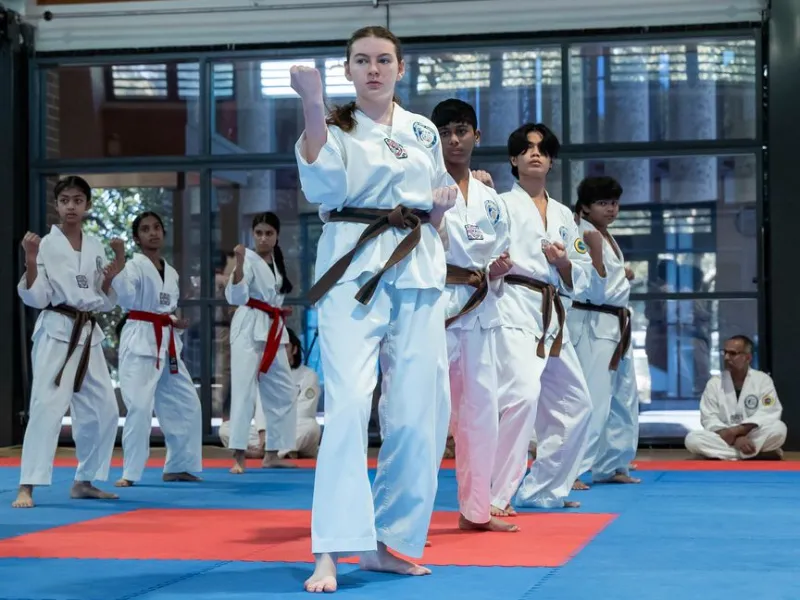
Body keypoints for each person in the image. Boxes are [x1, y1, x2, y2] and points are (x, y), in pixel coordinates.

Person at [292, 25, 456, 594]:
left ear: (401, 68)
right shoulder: (333, 125)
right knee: (348, 409)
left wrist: (443, 201)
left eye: (384, 60)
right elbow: (323, 183)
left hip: (417, 268)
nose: (374, 69)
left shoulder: (422, 129)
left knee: (417, 414)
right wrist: (313, 105)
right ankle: (331, 551)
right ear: (347, 70)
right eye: (361, 60)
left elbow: (438, 199)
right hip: (353, 271)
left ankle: (393, 543)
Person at [494, 123, 603, 513]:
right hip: (513, 305)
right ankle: (495, 495)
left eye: (542, 149)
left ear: (552, 161)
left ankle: (543, 490)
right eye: (526, 148)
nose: (534, 154)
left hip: (552, 312)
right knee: (521, 397)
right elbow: (481, 251)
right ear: (514, 159)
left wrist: (562, 263)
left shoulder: (563, 216)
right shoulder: (500, 204)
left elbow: (583, 272)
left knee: (578, 405)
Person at [430, 98, 517, 533]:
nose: (454, 140)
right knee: (426, 415)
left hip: (480, 310)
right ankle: (406, 522)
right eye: (445, 132)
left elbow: (500, 252)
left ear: (476, 136)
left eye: (462, 131)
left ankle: (475, 511)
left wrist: (496, 272)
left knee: (481, 413)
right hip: (434, 309)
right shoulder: (423, 185)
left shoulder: (491, 199)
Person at [13, 176, 122, 508]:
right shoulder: (46, 244)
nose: (71, 206)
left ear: (87, 205)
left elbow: (103, 300)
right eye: (65, 200)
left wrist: (111, 278)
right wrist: (31, 257)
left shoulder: (95, 246)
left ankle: (84, 480)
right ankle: (27, 485)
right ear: (57, 205)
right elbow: (36, 296)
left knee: (105, 408)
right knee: (47, 407)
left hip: (87, 333)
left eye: (78, 200)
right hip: (57, 331)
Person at [111, 211, 203, 487]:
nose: (153, 233)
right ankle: (130, 472)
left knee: (188, 403)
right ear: (137, 238)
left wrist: (176, 321)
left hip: (167, 342)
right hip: (140, 339)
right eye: (146, 229)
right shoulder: (134, 266)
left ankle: (178, 465)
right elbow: (126, 297)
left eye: (157, 228)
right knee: (139, 407)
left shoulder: (171, 272)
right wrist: (118, 258)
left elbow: (166, 308)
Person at [569, 177, 640, 487]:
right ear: (585, 207)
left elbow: (607, 278)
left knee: (624, 398)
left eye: (614, 202)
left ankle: (612, 463)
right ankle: (571, 471)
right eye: (603, 203)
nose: (611, 208)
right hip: (593, 323)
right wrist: (622, 277)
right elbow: (592, 287)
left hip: (617, 323)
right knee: (594, 400)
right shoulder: (582, 234)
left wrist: (620, 275)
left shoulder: (605, 235)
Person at [225, 212, 296, 473]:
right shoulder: (248, 259)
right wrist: (240, 263)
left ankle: (273, 452)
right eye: (259, 233)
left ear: (277, 236)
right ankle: (239, 456)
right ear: (252, 234)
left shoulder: (276, 263)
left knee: (285, 390)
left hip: (272, 328)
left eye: (269, 233)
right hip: (248, 326)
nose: (263, 238)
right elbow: (235, 296)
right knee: (244, 390)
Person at [685, 335, 787, 460]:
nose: (727, 357)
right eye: (725, 353)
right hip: (725, 436)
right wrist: (736, 439)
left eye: (733, 353)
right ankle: (753, 453)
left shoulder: (762, 380)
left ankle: (730, 453)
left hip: (752, 434)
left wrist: (738, 431)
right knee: (692, 439)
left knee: (779, 429)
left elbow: (768, 412)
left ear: (748, 357)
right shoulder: (715, 383)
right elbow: (709, 417)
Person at [279, 328, 322, 459]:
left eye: (285, 346)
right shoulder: (267, 375)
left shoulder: (309, 375)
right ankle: (283, 451)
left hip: (296, 428)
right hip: (271, 431)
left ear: (294, 349)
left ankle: (273, 452)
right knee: (227, 429)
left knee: (310, 427)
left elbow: (305, 412)